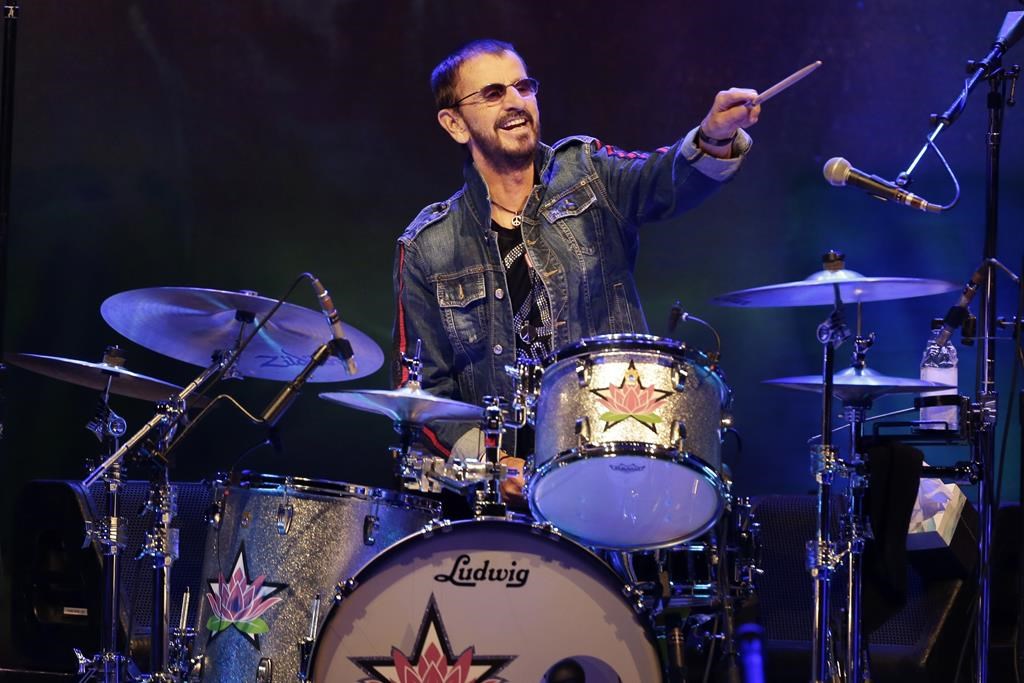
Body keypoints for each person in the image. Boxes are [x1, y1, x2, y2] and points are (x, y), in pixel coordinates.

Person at [392, 39, 760, 507]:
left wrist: (712, 137)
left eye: (523, 87)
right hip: (502, 498)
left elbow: (660, 181)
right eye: (492, 93)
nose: (515, 102)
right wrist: (491, 465)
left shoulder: (587, 171)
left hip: (616, 462)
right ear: (454, 123)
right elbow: (422, 393)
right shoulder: (426, 247)